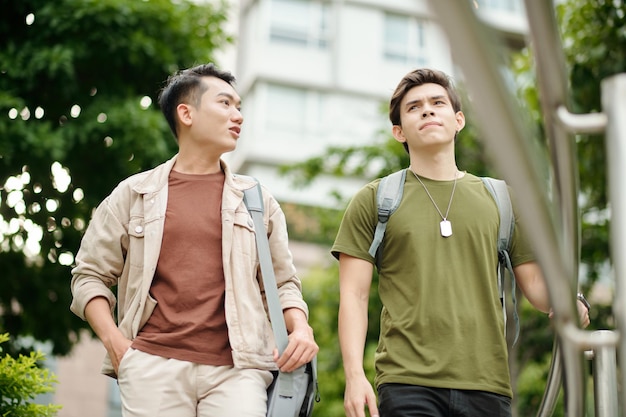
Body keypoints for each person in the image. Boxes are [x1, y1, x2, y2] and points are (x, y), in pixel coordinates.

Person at [331, 68, 590, 417]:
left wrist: (568, 300)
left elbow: (537, 290)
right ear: (398, 131)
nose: (427, 110)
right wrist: (354, 375)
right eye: (414, 107)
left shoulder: (501, 198)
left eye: (437, 102)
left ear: (458, 120)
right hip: (407, 382)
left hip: (488, 384)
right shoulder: (376, 199)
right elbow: (354, 296)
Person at [70, 63, 318, 417]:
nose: (238, 116)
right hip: (152, 366)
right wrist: (118, 346)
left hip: (239, 371)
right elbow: (90, 274)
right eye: (225, 104)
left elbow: (282, 284)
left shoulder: (257, 200)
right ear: (186, 113)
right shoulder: (134, 194)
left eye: (239, 107)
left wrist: (302, 329)